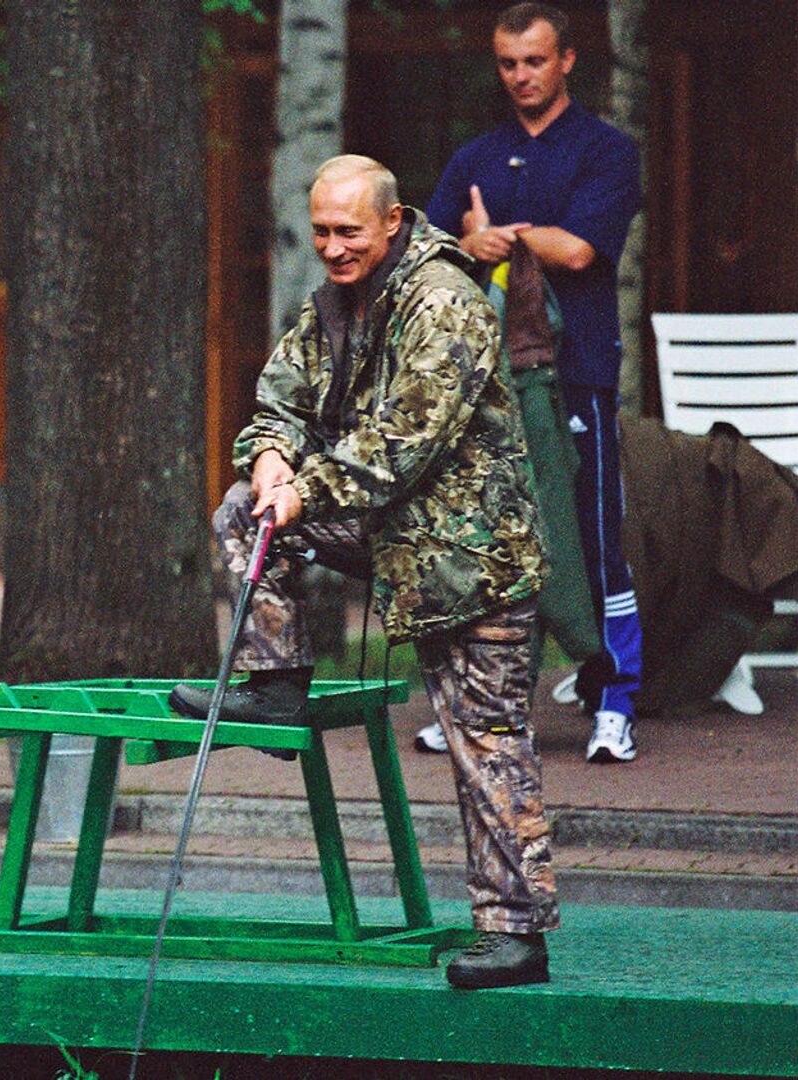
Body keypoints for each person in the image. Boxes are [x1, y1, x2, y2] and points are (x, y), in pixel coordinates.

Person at [170, 156, 560, 989]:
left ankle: (515, 934)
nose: (333, 248)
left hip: (472, 557)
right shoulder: (339, 303)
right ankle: (271, 677)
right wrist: (273, 460)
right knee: (243, 507)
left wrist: (303, 492)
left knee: (485, 744)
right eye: (320, 231)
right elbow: (279, 395)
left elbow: (401, 446)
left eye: (349, 231)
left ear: (391, 222)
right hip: (389, 533)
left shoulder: (444, 300)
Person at [425, 2, 644, 764]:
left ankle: (614, 700)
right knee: (488, 544)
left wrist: (499, 236)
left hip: (577, 371)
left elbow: (581, 251)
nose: (521, 76)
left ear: (568, 61)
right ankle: (489, 705)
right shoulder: (476, 154)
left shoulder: (606, 150)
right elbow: (428, 246)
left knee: (592, 540)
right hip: (484, 385)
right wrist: (463, 241)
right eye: (509, 63)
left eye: (535, 61)